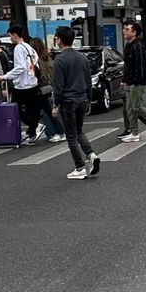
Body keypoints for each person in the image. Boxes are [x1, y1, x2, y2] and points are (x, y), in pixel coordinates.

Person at [51, 27, 100, 180]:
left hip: (68, 101)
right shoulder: (82, 58)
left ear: (59, 40)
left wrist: (55, 105)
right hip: (82, 99)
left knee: (71, 136)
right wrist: (89, 99)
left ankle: (79, 167)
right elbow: (88, 80)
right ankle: (91, 155)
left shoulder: (59, 60)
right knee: (79, 131)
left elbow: (58, 86)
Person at [0, 26, 45, 145]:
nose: (10, 38)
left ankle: (34, 126)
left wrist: (5, 76)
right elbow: (36, 63)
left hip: (22, 85)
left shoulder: (18, 48)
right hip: (33, 83)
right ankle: (32, 132)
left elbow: (20, 67)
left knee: (15, 109)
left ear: (14, 35)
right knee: (31, 109)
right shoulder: (29, 47)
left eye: (10, 36)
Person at [30, 36, 64, 143]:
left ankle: (56, 132)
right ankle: (34, 132)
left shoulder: (37, 61)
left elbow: (41, 77)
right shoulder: (48, 58)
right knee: (45, 112)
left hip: (42, 89)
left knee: (46, 113)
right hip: (49, 88)